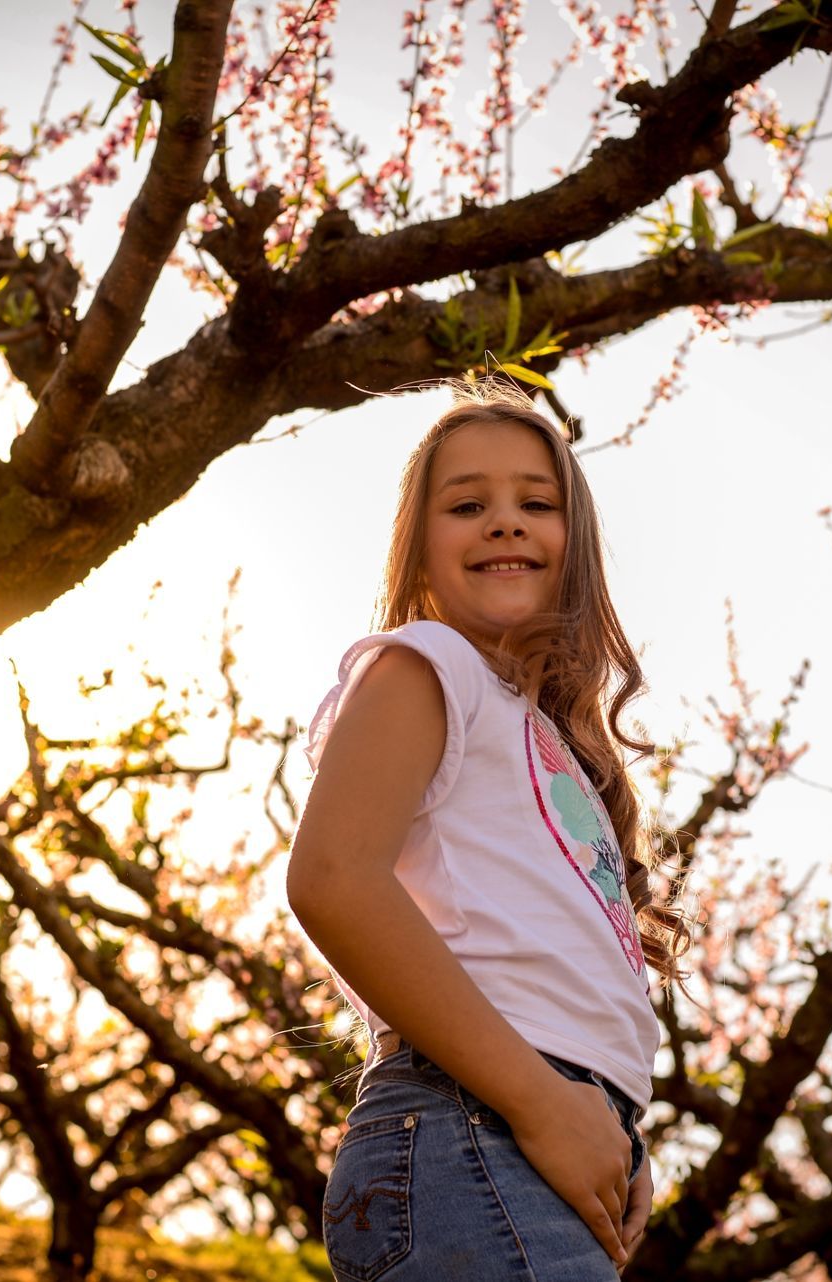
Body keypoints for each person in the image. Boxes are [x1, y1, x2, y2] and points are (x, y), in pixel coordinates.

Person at [288, 379, 692, 1280]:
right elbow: (333, 878)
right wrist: (544, 1102)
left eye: (536, 505)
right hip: (475, 1119)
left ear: (576, 545)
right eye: (468, 505)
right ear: (418, 549)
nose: (505, 522)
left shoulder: (542, 734)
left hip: (522, 1127)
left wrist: (610, 1117)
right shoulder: (427, 664)